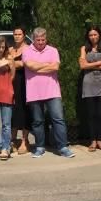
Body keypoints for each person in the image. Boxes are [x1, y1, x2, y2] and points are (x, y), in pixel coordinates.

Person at [22, 27, 75, 158]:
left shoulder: (53, 50)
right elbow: (30, 66)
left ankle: (63, 147)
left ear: (46, 39)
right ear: (33, 39)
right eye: (38, 40)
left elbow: (55, 67)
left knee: (58, 120)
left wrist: (37, 67)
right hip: (34, 92)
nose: (41, 42)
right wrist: (46, 65)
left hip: (52, 91)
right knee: (37, 121)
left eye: (43, 40)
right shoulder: (27, 51)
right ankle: (40, 147)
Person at [78, 25, 101, 152]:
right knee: (91, 114)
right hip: (88, 84)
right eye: (91, 35)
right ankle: (92, 141)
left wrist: (89, 65)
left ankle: (100, 140)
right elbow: (82, 66)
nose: (93, 37)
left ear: (99, 35)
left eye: (95, 34)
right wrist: (98, 63)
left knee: (100, 114)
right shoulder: (84, 49)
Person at [9, 27, 32, 155]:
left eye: (19, 34)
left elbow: (24, 64)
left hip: (24, 83)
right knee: (12, 111)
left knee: (24, 110)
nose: (17, 36)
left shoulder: (28, 49)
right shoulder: (10, 50)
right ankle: (13, 139)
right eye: (15, 34)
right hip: (11, 83)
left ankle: (24, 140)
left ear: (24, 35)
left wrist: (11, 63)